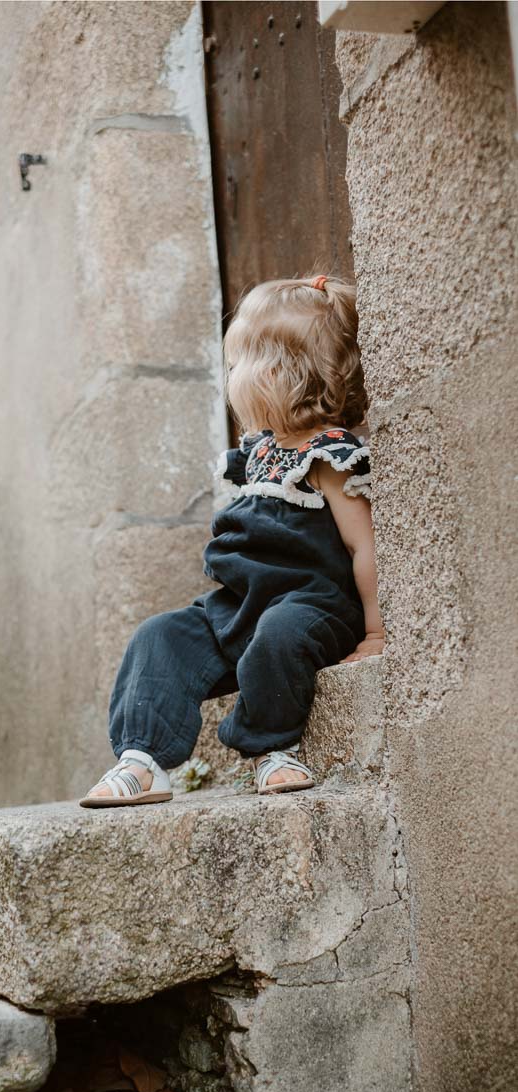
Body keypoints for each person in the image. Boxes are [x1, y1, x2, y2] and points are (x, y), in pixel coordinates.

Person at [82, 273, 383, 808]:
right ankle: (142, 761)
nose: (231, 376)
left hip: (308, 607)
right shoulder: (257, 454)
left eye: (238, 363)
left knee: (279, 634)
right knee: (161, 635)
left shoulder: (329, 457)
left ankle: (273, 749)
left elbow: (364, 547)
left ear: (282, 374)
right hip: (238, 606)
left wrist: (376, 632)